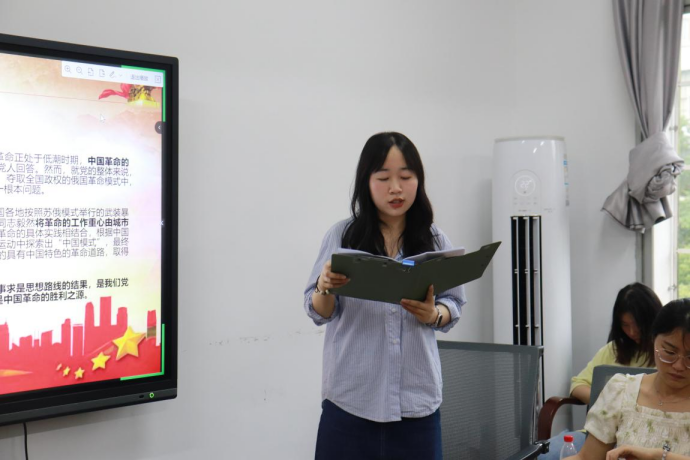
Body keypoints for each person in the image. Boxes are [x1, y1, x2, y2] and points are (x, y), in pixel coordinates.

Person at [303, 132, 465, 460]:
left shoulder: (434, 239)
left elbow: (454, 302)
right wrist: (324, 286)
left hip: (416, 408)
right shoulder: (342, 235)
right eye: (383, 178)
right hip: (350, 404)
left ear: (418, 181)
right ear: (367, 181)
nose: (396, 188)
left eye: (405, 177)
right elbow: (318, 310)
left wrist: (434, 314)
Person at [541, 282, 662, 459]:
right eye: (625, 325)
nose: (632, 331)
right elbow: (578, 385)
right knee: (545, 454)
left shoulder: (665, 356)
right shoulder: (613, 350)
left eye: (637, 325)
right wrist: (609, 401)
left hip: (644, 437)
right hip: (599, 436)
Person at [564, 299, 690, 460]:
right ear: (653, 340)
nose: (679, 366)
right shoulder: (622, 391)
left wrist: (659, 456)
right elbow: (587, 457)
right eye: (669, 352)